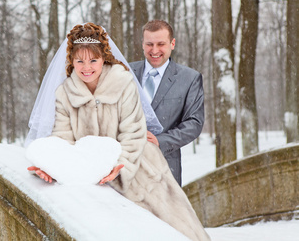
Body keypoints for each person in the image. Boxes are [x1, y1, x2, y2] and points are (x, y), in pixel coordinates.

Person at [26, 22, 210, 241]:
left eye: (93, 60)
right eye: (80, 61)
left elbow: (133, 134)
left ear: (103, 58)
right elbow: (62, 139)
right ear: (71, 61)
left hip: (139, 172)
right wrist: (52, 166)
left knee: (175, 232)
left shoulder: (123, 82)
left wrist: (119, 169)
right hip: (95, 178)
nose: (87, 67)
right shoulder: (64, 94)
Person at [129, 20, 205, 186]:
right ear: (142, 44)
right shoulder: (125, 72)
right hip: (125, 167)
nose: (154, 50)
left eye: (161, 44)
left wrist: (160, 141)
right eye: (149, 44)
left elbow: (194, 123)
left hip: (164, 168)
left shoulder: (190, 78)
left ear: (172, 43)